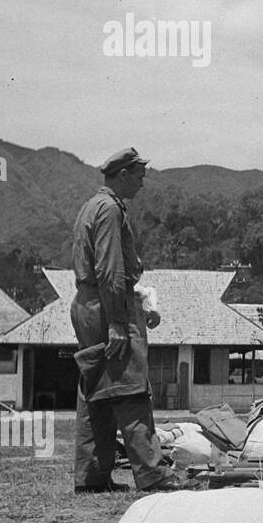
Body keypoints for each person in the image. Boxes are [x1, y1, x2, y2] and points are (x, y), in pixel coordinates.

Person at [70, 147, 179, 494]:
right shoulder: (109, 209)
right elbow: (110, 269)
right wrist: (118, 322)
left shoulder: (91, 206)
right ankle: (153, 474)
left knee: (95, 391)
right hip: (106, 306)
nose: (143, 184)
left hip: (89, 305)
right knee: (129, 387)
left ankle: (92, 476)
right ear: (122, 175)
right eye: (140, 176)